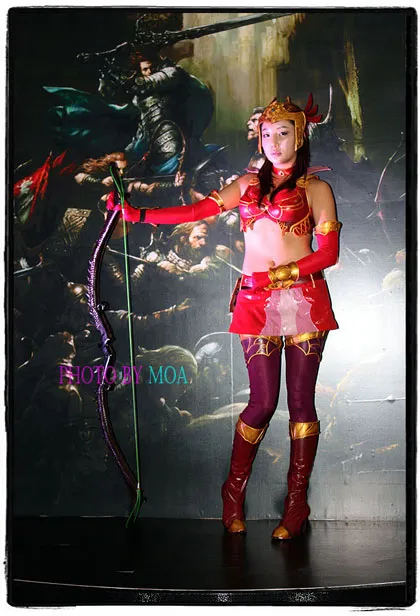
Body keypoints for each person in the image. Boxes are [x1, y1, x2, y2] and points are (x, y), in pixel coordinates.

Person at [106, 95, 342, 540]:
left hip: (305, 301)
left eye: (283, 133)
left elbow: (328, 253)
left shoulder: (317, 189)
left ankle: (296, 504)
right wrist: (139, 215)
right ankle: (232, 494)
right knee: (262, 403)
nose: (273, 142)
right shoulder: (246, 184)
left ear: (300, 136)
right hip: (255, 303)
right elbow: (197, 212)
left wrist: (281, 274)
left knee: (301, 405)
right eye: (267, 134)